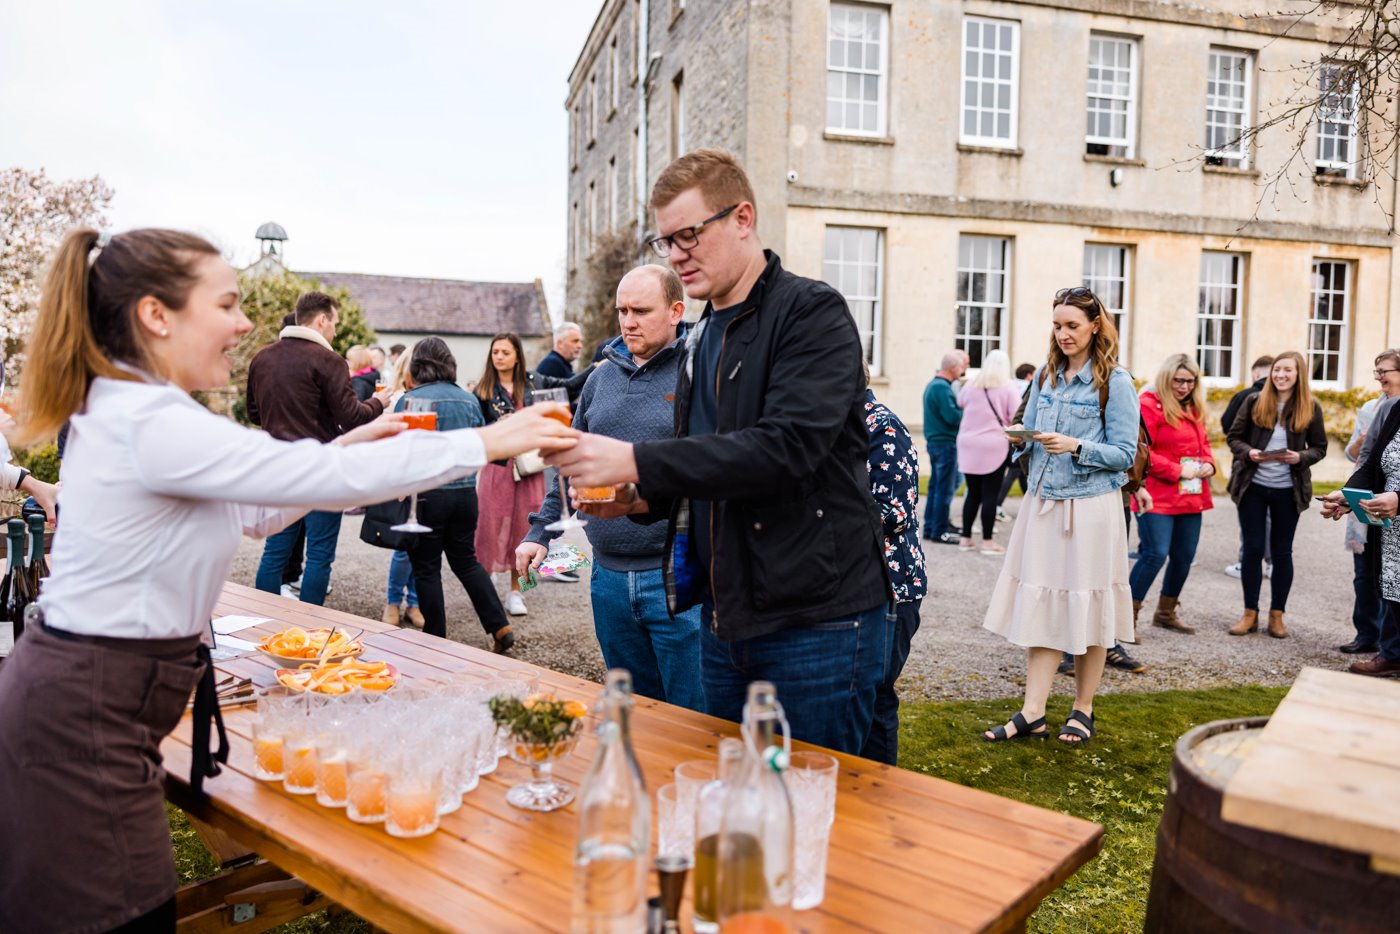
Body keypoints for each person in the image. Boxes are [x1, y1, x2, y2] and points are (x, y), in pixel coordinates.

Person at [0, 226, 574, 934]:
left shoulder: (141, 410)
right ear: (157, 315)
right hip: (82, 719)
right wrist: (489, 441)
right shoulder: (146, 417)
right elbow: (313, 481)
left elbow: (261, 511)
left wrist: (347, 444)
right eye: (228, 303)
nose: (245, 323)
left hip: (94, 705)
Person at [546, 149, 891, 755]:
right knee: (731, 799)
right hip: (724, 618)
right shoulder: (703, 338)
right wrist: (637, 501)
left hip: (817, 622)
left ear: (743, 219)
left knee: (813, 817)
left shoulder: (813, 313)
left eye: (689, 234)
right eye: (666, 242)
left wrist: (635, 462)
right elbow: (703, 465)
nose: (677, 254)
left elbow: (785, 449)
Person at [517, 265, 704, 710]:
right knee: (634, 714)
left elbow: (712, 469)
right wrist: (541, 532)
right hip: (608, 580)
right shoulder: (600, 379)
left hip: (680, 576)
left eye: (641, 310)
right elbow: (568, 467)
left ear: (676, 310)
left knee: (695, 718)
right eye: (622, 310)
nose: (628, 321)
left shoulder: (699, 375)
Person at [981, 286, 1138, 745]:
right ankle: (1033, 711)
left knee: (1089, 605)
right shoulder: (1046, 375)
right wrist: (1020, 437)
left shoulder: (1117, 381)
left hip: (1091, 507)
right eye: (1057, 325)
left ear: (1095, 326)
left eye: (1072, 325)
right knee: (1045, 603)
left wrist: (1077, 446)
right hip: (1043, 502)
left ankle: (1083, 708)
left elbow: (1124, 454)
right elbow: (1031, 430)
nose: (1063, 333)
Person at [246, 291, 389, 605]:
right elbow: (351, 418)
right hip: (322, 469)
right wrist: (378, 402)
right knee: (319, 555)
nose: (335, 331)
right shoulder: (329, 361)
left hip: (278, 467)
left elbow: (254, 413)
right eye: (335, 323)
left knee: (275, 551)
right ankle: (311, 629)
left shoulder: (262, 358)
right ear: (322, 320)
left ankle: (262, 620)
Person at [397, 338, 517, 652]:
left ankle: (435, 639)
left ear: (417, 366)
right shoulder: (468, 400)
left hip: (427, 496)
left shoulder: (409, 400)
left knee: (426, 568)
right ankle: (499, 625)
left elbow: (396, 451)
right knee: (466, 562)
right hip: (465, 495)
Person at [1225, 351, 1328, 638]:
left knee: (1282, 553)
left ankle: (1276, 615)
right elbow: (1234, 438)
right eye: (1277, 370)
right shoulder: (1255, 401)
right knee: (1253, 549)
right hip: (1253, 487)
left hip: (1288, 490)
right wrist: (1251, 453)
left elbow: (1319, 447)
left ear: (1299, 375)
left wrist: (1300, 456)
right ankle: (1249, 613)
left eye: (1287, 370)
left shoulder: (1311, 407)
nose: (1280, 375)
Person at [860, 372, 926, 765]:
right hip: (850, 584)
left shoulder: (881, 425)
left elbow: (895, 511)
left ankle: (879, 790)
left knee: (876, 695)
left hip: (892, 586)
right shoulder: (824, 424)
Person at [1130, 353, 1215, 636]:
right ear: (1167, 378)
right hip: (1156, 493)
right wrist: (1176, 470)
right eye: (1179, 381)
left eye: (1190, 381)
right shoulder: (1148, 405)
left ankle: (1165, 612)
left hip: (1190, 495)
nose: (1184, 387)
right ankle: (1125, 615)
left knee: (1184, 556)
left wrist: (1208, 464)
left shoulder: (1194, 407)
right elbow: (1141, 452)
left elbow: (1205, 444)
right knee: (1155, 553)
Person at [1321, 396, 1400, 676]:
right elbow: (1371, 465)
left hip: (1395, 509)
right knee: (1393, 596)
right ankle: (1393, 656)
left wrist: (1399, 499)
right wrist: (1347, 496)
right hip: (1392, 532)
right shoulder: (1396, 409)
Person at [474, 333, 547, 617]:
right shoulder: (481, 390)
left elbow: (567, 387)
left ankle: (518, 591)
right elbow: (476, 428)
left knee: (524, 527)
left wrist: (595, 368)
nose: (499, 356)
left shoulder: (533, 383)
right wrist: (497, 426)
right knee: (490, 525)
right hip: (498, 466)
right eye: (495, 352)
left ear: (517, 354)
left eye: (505, 351)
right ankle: (488, 577)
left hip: (529, 467)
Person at [1339, 350, 1400, 654]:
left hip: (1391, 502)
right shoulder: (1376, 408)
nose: (1378, 378)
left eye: (1383, 371)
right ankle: (1371, 638)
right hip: (1373, 503)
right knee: (1371, 574)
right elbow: (1361, 457)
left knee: (1393, 581)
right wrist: (1346, 496)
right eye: (1375, 372)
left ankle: (1389, 649)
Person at [956, 350, 1020, 554]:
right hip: (993, 444)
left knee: (972, 493)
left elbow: (960, 403)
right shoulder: (1008, 387)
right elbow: (1015, 414)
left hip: (968, 442)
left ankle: (965, 539)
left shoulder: (972, 384)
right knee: (990, 494)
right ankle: (987, 542)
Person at [380, 345, 422, 628]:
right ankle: (394, 601)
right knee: (404, 548)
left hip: (427, 478)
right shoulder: (398, 399)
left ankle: (415, 602)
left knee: (422, 546)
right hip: (407, 477)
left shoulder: (430, 395)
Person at [1222, 355, 1275, 578]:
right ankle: (1272, 563)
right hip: (1280, 467)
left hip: (1246, 464)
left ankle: (1247, 562)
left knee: (1250, 517)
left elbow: (1228, 426)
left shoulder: (1245, 395)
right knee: (1272, 518)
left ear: (1255, 373)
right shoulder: (1287, 397)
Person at [922, 351, 967, 545]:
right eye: (961, 367)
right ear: (952, 368)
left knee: (935, 488)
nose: (963, 370)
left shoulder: (934, 385)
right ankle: (939, 530)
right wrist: (966, 409)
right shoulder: (941, 388)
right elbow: (952, 417)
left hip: (936, 443)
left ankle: (931, 528)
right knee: (944, 489)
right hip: (945, 443)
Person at [997, 363, 1038, 509]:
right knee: (1015, 471)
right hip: (1020, 436)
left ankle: (1028, 503)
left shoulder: (1011, 385)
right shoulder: (1033, 383)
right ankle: (998, 503)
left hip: (1018, 436)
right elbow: (1018, 414)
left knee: (1019, 473)